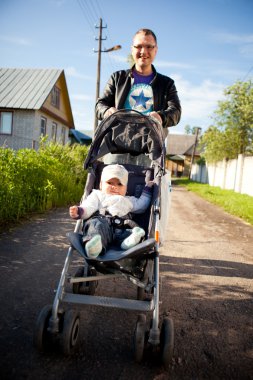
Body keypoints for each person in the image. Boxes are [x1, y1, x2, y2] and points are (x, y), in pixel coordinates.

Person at [95, 28, 181, 133]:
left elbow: (176, 112)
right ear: (132, 49)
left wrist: (161, 117)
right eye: (139, 46)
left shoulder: (167, 84)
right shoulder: (117, 78)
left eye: (149, 46)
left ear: (156, 50)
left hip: (151, 146)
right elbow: (100, 105)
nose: (143, 52)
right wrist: (107, 111)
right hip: (118, 144)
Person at [69, 164, 154, 259]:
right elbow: (89, 206)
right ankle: (94, 247)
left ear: (126, 188)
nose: (115, 187)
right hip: (103, 225)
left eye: (120, 184)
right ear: (101, 185)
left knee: (133, 230)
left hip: (122, 227)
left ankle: (129, 241)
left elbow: (141, 206)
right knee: (95, 225)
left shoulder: (128, 199)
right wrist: (79, 211)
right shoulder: (97, 195)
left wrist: (147, 189)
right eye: (110, 183)